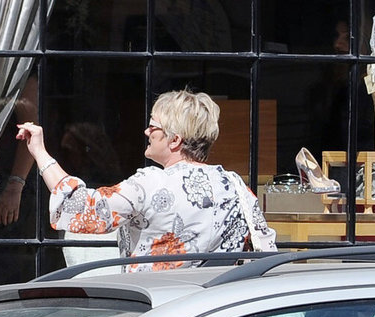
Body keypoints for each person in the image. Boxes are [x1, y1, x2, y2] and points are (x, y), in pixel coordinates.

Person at [19, 88, 277, 271]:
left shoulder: (151, 184)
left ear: (175, 140)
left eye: (153, 126)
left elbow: (84, 209)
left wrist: (40, 153)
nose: (146, 131)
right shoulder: (234, 185)